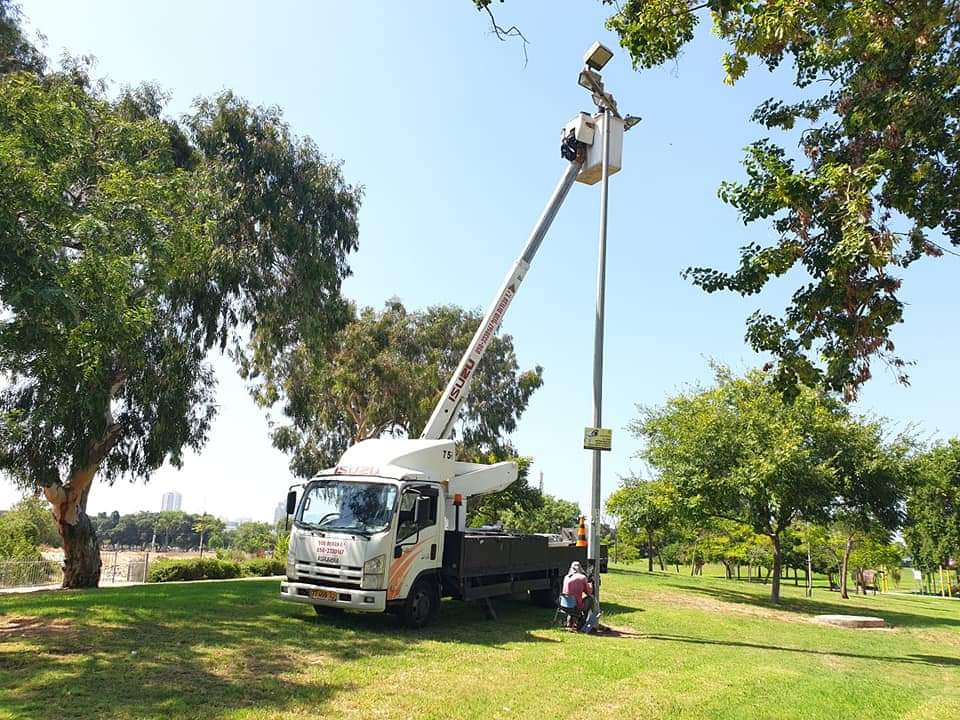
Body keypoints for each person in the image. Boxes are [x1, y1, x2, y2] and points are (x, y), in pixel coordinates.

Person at [561, 561, 593, 627]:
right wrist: (590, 585)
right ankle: (581, 623)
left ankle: (570, 621)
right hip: (575, 605)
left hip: (564, 604)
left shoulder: (566, 577)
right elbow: (588, 593)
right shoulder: (582, 578)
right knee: (590, 600)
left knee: (573, 601)